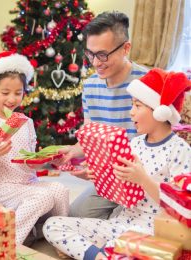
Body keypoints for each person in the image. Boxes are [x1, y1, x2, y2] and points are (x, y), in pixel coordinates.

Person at [43, 68, 191, 260]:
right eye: (132, 105)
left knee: (129, 249)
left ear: (160, 112)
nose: (131, 112)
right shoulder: (135, 144)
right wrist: (97, 176)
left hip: (153, 232)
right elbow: (121, 193)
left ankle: (106, 252)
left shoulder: (180, 150)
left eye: (138, 106)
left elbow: (182, 208)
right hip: (120, 224)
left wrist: (143, 179)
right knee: (53, 225)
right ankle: (102, 256)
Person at [0, 51, 69, 245]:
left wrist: (45, 161)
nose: (12, 99)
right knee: (44, 197)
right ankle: (7, 244)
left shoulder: (27, 122)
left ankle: (59, 237)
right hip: (3, 187)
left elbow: (31, 165)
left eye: (18, 93)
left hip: (29, 183)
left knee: (61, 189)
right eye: (5, 93)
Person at [58, 11, 148, 219]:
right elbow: (91, 139)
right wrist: (73, 152)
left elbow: (158, 145)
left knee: (128, 221)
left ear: (126, 48)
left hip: (142, 175)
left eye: (102, 55)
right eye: (90, 54)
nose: (96, 63)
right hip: (110, 178)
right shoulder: (90, 86)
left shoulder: (146, 82)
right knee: (73, 216)